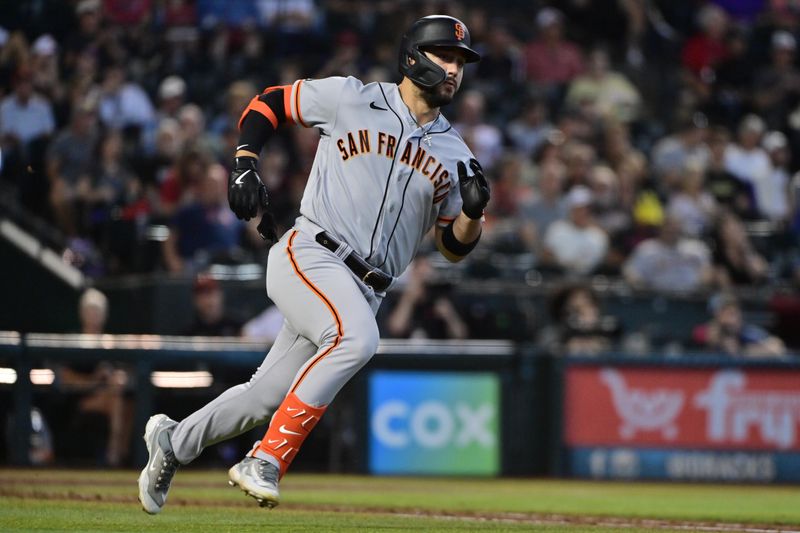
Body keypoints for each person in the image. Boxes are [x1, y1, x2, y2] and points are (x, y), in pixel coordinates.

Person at [138, 15, 490, 514]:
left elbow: (453, 247)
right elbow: (270, 102)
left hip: (369, 287)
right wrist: (244, 160)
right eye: (445, 56)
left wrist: (473, 214)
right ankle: (267, 460)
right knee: (358, 339)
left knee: (264, 397)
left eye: (461, 62)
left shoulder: (457, 153)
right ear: (413, 56)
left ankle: (174, 442)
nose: (454, 69)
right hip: (313, 252)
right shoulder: (353, 97)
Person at [56, 288, 133, 466]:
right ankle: (115, 452)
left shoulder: (110, 343)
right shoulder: (73, 341)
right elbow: (65, 377)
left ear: (105, 315)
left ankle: (122, 453)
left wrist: (112, 377)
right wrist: (94, 380)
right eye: (90, 311)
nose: (94, 315)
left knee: (128, 402)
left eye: (98, 311)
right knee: (115, 400)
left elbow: (122, 375)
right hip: (78, 401)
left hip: (108, 396)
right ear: (82, 313)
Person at [691, 293, 786, 357]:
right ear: (716, 315)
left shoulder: (746, 332)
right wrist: (720, 339)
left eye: (733, 313)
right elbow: (700, 335)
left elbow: (776, 347)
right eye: (725, 313)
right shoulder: (708, 330)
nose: (731, 318)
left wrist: (742, 351)